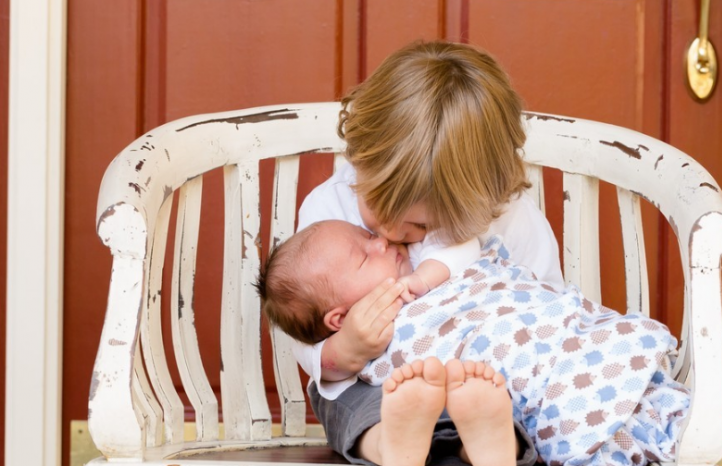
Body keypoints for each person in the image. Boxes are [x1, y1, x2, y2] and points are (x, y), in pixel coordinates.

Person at [290, 40, 564, 466]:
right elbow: (304, 319)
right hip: (382, 386)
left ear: (482, 198)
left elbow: (548, 308)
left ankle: (490, 445)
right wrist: (343, 350)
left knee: (508, 408)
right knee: (350, 404)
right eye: (378, 210)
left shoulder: (510, 219)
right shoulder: (329, 211)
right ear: (360, 161)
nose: (391, 234)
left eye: (421, 227)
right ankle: (391, 444)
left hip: (486, 380)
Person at [258, 221, 689, 466]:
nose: (381, 240)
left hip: (559, 341)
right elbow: (326, 366)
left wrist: (424, 277)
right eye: (363, 254)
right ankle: (465, 444)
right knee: (400, 390)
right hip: (486, 379)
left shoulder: (431, 252)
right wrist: (349, 347)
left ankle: (478, 443)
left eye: (367, 234)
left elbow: (478, 259)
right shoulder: (327, 227)